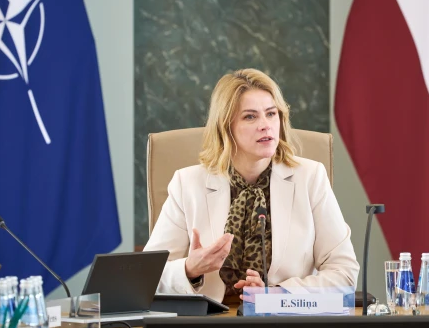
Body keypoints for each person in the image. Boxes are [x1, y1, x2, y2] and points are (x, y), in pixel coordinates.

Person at [144, 68, 359, 303]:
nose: (265, 125)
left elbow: (345, 273)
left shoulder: (310, 177)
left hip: (282, 316)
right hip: (210, 319)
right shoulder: (187, 184)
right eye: (250, 117)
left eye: (271, 113)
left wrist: (276, 295)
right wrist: (189, 269)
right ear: (226, 126)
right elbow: (147, 277)